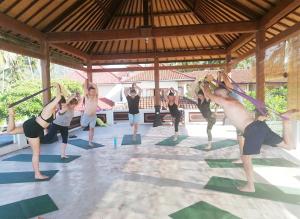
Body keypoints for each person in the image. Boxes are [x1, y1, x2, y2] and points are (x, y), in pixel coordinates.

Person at [202, 83, 298, 192]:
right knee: (288, 145)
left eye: (217, 94)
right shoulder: (233, 101)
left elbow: (208, 94)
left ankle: (250, 187)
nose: (216, 97)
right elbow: (213, 94)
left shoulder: (226, 101)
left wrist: (205, 83)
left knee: (246, 159)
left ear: (222, 93)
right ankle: (286, 121)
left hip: (252, 130)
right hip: (258, 126)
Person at [7, 83, 63, 179]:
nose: (60, 105)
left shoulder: (54, 110)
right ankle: (37, 174)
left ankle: (11, 114)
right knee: (36, 153)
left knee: (11, 131)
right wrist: (57, 86)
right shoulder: (49, 107)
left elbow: (46, 122)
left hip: (34, 126)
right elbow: (58, 97)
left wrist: (44, 129)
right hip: (33, 128)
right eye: (59, 103)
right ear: (55, 102)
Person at [41, 93, 80, 158]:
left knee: (65, 140)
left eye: (75, 105)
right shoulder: (65, 106)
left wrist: (77, 96)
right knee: (49, 137)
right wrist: (72, 96)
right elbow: (66, 102)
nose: (74, 106)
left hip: (65, 126)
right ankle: (36, 139)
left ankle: (63, 154)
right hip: (56, 124)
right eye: (73, 105)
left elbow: (79, 100)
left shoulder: (72, 108)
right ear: (70, 103)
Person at [220, 71, 245, 163]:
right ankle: (243, 157)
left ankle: (243, 158)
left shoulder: (234, 90)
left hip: (241, 118)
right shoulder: (232, 93)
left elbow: (227, 82)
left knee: (241, 139)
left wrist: (223, 73)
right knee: (240, 138)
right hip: (239, 118)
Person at [81, 79, 98, 147]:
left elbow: (96, 87)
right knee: (83, 125)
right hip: (86, 115)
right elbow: (85, 88)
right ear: (89, 92)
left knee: (92, 129)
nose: (93, 92)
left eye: (94, 91)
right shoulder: (87, 96)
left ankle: (90, 142)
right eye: (92, 91)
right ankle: (82, 117)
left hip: (93, 116)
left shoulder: (96, 97)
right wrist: (86, 81)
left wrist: (91, 83)